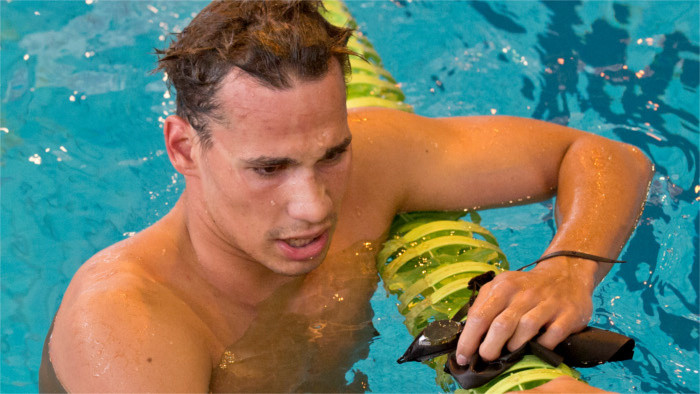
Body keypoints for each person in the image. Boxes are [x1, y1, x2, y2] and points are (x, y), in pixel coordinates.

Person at [39, 1, 653, 392]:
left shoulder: (374, 164)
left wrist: (568, 271)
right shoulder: (129, 326)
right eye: (268, 167)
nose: (313, 206)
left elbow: (608, 158)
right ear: (182, 149)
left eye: (332, 153)